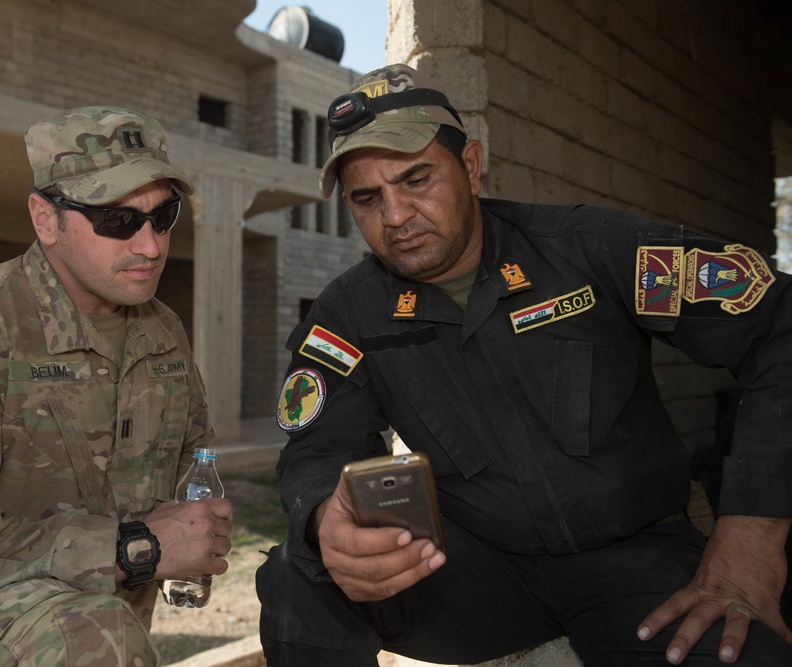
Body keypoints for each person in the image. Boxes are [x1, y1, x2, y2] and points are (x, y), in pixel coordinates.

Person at [256, 63, 792, 666]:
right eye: (367, 197)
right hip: (470, 574)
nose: (397, 214)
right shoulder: (349, 312)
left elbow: (780, 320)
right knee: (295, 574)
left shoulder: (587, 250)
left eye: (417, 179)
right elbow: (313, 447)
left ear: (472, 167)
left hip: (634, 562)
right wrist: (326, 519)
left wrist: (753, 527)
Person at [0, 106, 232, 666]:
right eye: (117, 220)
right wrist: (131, 548)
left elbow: (186, 472)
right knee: (87, 632)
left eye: (163, 216)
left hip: (100, 643)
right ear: (45, 218)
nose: (151, 246)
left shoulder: (162, 334)